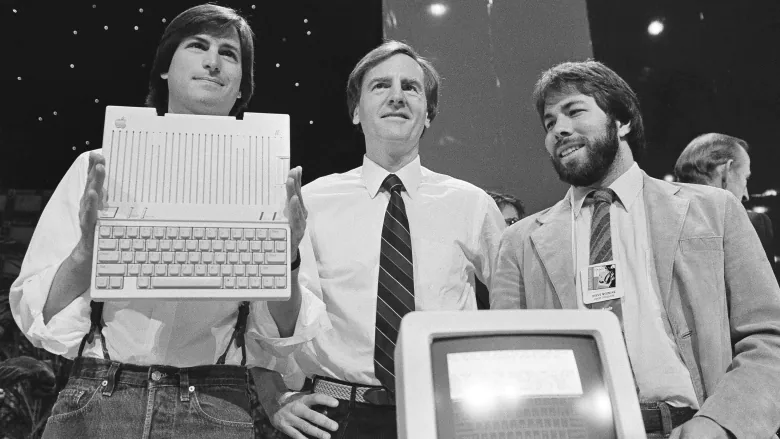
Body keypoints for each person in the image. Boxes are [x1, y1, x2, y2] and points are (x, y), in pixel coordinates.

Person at [10, 4, 328, 438]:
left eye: (228, 53)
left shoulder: (272, 181)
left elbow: (284, 332)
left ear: (241, 86)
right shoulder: (100, 168)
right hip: (99, 395)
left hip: (213, 402)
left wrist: (285, 259)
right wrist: (87, 250)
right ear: (164, 68)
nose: (213, 62)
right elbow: (40, 315)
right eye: (198, 46)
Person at [491, 60, 780, 438]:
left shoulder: (715, 210)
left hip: (698, 426)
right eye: (549, 123)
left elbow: (769, 336)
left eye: (574, 111)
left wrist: (721, 423)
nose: (559, 129)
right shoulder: (519, 243)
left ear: (622, 121)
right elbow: (510, 365)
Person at [269, 40, 505, 439]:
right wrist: (279, 397)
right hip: (336, 417)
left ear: (428, 115)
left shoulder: (472, 204)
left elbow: (514, 306)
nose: (397, 96)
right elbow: (283, 323)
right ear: (355, 112)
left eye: (410, 87)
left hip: (448, 412)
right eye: (380, 86)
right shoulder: (312, 202)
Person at [674, 133, 775, 270]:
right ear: (727, 170)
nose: (746, 195)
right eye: (745, 178)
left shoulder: (655, 222)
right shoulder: (752, 224)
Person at [475, 191, 526, 309]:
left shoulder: (529, 272)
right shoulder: (468, 278)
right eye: (495, 223)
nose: (506, 229)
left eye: (512, 222)